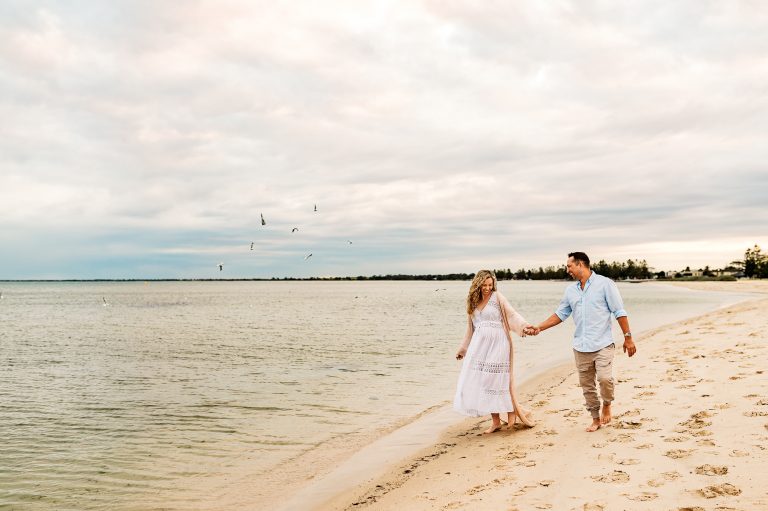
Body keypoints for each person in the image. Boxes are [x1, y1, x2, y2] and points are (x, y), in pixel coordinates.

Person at [525, 252, 637, 432]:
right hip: (581, 347)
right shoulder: (571, 291)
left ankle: (607, 403)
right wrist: (539, 327)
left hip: (603, 344)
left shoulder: (605, 284)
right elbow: (560, 315)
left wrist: (628, 337)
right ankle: (595, 418)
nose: (567, 269)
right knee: (587, 386)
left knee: (604, 378)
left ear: (581, 264)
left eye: (569, 266)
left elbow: (619, 311)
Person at [454, 270, 535, 434]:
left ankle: (512, 412)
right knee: (484, 382)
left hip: (499, 343)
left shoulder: (497, 297)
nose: (487, 288)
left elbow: (512, 315)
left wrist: (525, 327)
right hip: (480, 346)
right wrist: (463, 349)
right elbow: (470, 329)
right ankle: (496, 421)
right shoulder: (472, 302)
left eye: (490, 285)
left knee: (498, 380)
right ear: (477, 284)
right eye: (484, 285)